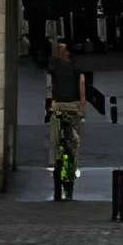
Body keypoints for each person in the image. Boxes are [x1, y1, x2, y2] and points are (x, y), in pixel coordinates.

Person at [45, 36, 86, 189]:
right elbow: (50, 84)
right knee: (70, 140)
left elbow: (81, 84)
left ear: (68, 51)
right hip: (61, 105)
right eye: (59, 48)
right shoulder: (62, 64)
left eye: (61, 48)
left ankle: (64, 165)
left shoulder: (57, 64)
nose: (59, 51)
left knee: (65, 139)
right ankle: (62, 164)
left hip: (71, 106)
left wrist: (81, 107)